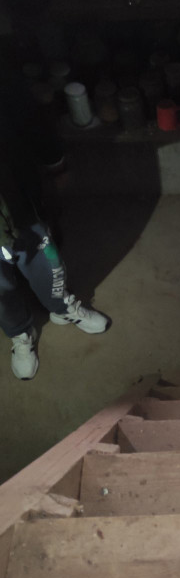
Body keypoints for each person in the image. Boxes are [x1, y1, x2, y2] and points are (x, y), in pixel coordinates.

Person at [0, 48, 109, 381]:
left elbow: (25, 113)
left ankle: (62, 309)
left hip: (14, 196)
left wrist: (54, 159)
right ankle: (20, 332)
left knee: (45, 260)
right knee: (0, 287)